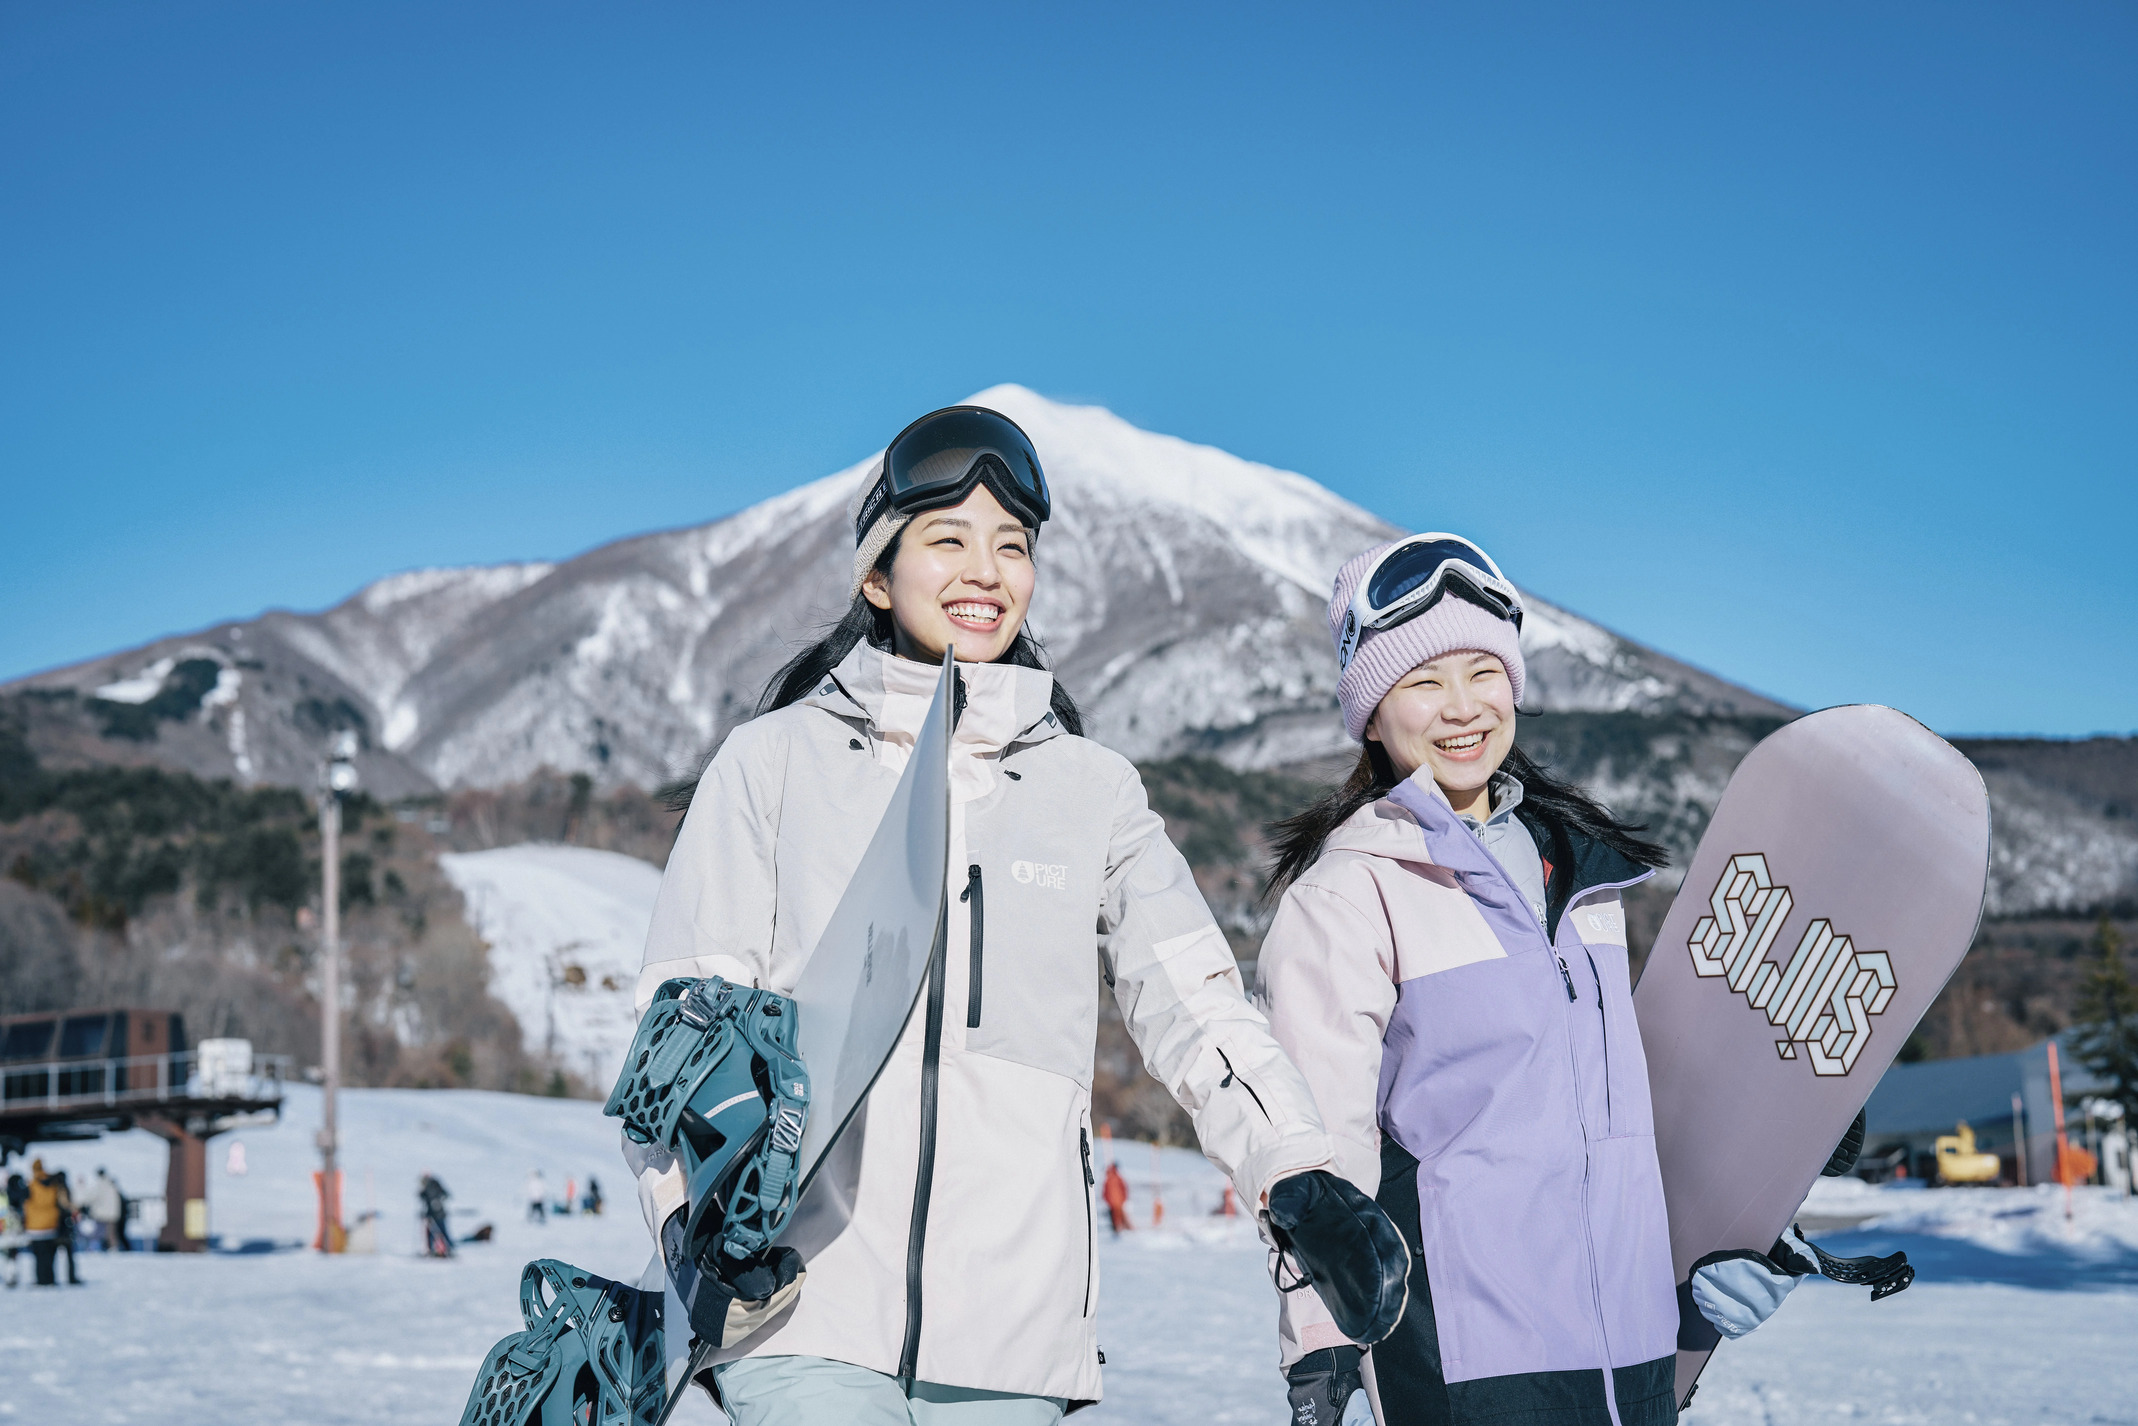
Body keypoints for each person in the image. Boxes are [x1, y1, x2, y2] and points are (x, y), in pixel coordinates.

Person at [632, 404, 1350, 1425]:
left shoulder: (1091, 789)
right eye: (948, 540)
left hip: (1014, 1331)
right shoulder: (773, 764)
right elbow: (683, 1021)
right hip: (798, 1305)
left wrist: (1293, 1166)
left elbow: (1197, 1004)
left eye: (1011, 546)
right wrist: (683, 1221)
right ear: (877, 577)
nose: (986, 571)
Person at [1257, 535, 1812, 1426]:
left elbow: (1626, 1116)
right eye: (1424, 681)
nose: (1462, 707)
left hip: (1631, 1357)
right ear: (1372, 715)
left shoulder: (1585, 881)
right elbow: (1315, 1146)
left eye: (1483, 672)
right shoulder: (1349, 893)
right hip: (1465, 1364)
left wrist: (1736, 1217)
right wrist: (1320, 1343)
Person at [23, 1159, 63, 1286]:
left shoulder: (32, 1184)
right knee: (50, 1255)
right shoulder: (53, 1182)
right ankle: (50, 1278)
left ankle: (41, 1279)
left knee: (39, 1255)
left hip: (35, 1225)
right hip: (51, 1223)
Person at [83, 1168, 124, 1252]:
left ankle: (94, 1248)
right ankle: (113, 1248)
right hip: (112, 1214)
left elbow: (92, 1197)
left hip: (101, 1214)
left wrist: (84, 1203)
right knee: (111, 1233)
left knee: (97, 1233)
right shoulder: (112, 1184)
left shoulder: (100, 1184)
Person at [419, 1173, 453, 1257]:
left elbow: (435, 1200)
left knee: (441, 1232)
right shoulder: (431, 1187)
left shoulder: (432, 1187)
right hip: (433, 1215)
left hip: (438, 1214)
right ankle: (432, 1249)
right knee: (432, 1233)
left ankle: (447, 1248)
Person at [1100, 1161, 1131, 1237]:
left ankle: (1119, 1230)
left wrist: (1108, 1200)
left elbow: (1105, 1191)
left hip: (1114, 1202)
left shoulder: (1110, 1179)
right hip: (1117, 1202)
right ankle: (1120, 1229)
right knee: (1118, 1217)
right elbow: (1124, 1189)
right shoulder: (1116, 1178)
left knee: (1116, 1218)